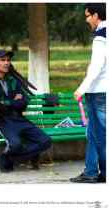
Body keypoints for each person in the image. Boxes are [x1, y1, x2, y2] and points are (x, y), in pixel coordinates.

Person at [0, 50, 52, 172]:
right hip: (1, 121)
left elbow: (24, 101)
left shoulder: (13, 81)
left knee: (45, 141)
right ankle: (11, 159)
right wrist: (13, 101)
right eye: (3, 60)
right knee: (16, 144)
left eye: (8, 60)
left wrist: (7, 102)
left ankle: (8, 159)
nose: (6, 63)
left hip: (18, 118)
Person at [70, 3, 106, 183]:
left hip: (98, 92)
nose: (86, 20)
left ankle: (92, 172)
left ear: (96, 15)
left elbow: (97, 67)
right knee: (98, 133)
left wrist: (81, 88)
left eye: (88, 15)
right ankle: (95, 171)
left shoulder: (101, 37)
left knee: (96, 133)